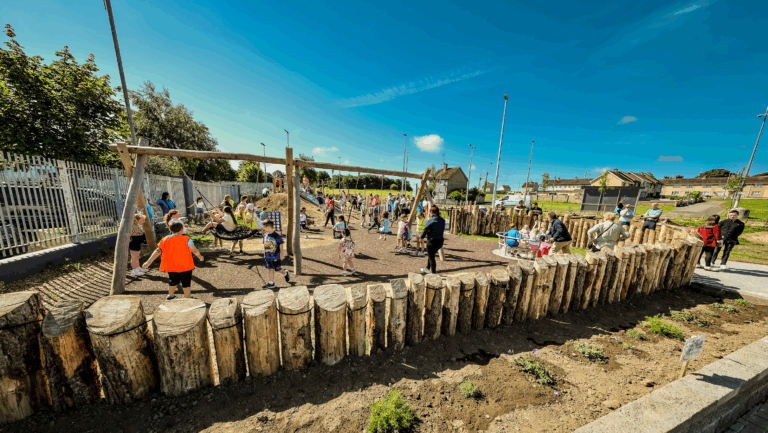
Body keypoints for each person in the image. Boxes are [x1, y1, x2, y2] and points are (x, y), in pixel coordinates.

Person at [142, 221, 204, 300]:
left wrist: (148, 262)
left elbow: (157, 251)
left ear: (170, 230)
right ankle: (187, 297)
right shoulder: (186, 239)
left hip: (171, 265)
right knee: (186, 281)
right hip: (185, 265)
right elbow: (194, 249)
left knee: (173, 281)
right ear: (181, 229)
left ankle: (170, 296)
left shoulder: (165, 239)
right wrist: (200, 256)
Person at [262, 220, 290, 288]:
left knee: (277, 269)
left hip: (275, 256)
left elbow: (281, 244)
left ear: (269, 227)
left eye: (264, 227)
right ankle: (271, 283)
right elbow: (265, 245)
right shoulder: (265, 235)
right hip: (268, 256)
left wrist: (282, 254)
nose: (263, 228)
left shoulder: (276, 235)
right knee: (270, 269)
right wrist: (264, 253)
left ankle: (285, 273)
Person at [419, 205, 445, 274]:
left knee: (432, 258)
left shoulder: (430, 220)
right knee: (431, 255)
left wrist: (421, 237)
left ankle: (433, 274)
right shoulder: (443, 220)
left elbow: (425, 229)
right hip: (440, 241)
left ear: (431, 212)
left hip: (432, 241)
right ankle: (427, 268)